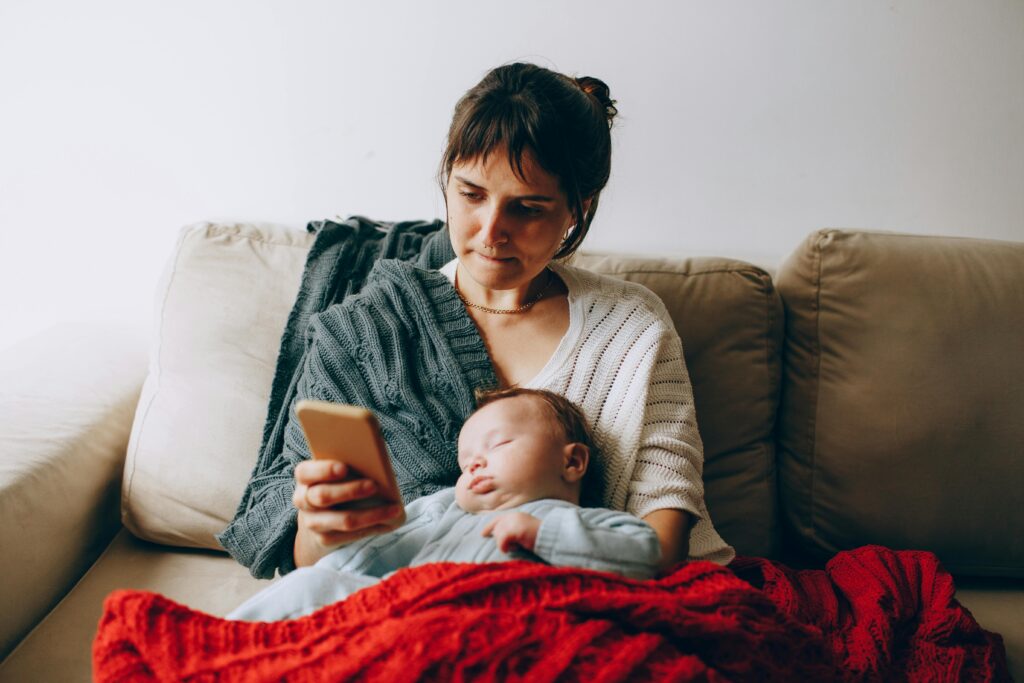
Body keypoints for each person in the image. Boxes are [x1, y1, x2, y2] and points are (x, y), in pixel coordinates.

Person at [218, 62, 734, 580]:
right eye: (470, 195)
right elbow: (312, 565)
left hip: (586, 598)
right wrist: (317, 525)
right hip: (396, 606)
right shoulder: (367, 332)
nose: (491, 233)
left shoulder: (631, 328)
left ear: (579, 207)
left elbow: (665, 540)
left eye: (528, 208)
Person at [228, 388, 661, 621]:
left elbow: (644, 555)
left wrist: (542, 533)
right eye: (465, 461)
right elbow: (372, 554)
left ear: (572, 461)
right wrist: (358, 528)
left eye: (498, 445)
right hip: (402, 612)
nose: (474, 465)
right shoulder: (446, 508)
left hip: (494, 623)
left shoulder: (585, 522)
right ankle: (226, 647)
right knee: (310, 587)